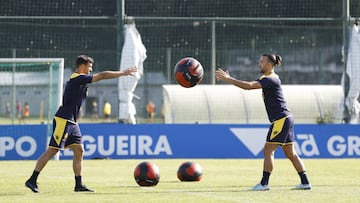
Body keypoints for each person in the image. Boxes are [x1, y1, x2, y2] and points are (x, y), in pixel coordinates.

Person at [25, 55, 137, 193]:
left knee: (79, 151)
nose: (91, 69)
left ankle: (78, 185)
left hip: (72, 122)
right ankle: (32, 180)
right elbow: (102, 75)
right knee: (53, 150)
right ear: (82, 66)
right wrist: (123, 73)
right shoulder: (77, 78)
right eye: (89, 66)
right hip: (64, 120)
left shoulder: (81, 81)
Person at [216, 54, 311, 191]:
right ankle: (305, 182)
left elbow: (248, 86)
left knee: (268, 150)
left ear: (270, 64)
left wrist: (228, 79)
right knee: (290, 153)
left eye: (262, 61)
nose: (259, 64)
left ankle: (264, 184)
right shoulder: (272, 78)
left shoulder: (269, 79)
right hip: (286, 118)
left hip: (281, 120)